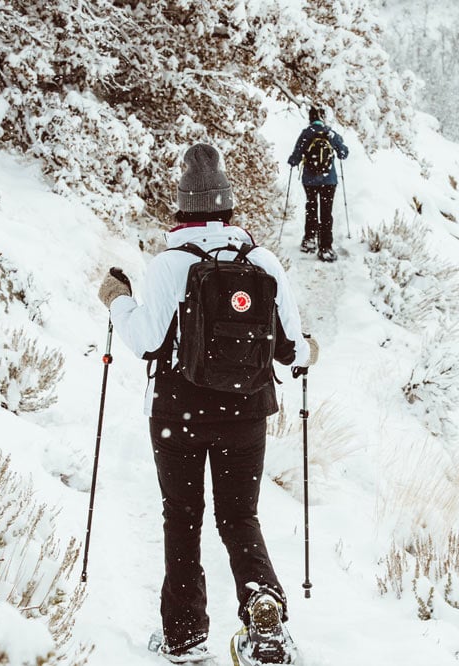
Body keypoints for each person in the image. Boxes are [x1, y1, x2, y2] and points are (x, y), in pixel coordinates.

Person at [97, 143, 319, 664]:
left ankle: (184, 635)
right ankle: (262, 605)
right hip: (246, 412)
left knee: (183, 517)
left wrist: (116, 298)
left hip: (178, 412)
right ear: (228, 206)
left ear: (182, 208)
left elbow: (147, 343)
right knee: (240, 516)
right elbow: (291, 350)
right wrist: (313, 350)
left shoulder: (167, 265)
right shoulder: (262, 262)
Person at [287, 106, 349, 262]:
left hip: (310, 180)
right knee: (326, 212)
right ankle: (326, 247)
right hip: (329, 180)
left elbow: (296, 156)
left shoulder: (307, 133)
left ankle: (309, 240)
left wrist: (292, 161)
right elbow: (343, 153)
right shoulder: (330, 133)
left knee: (311, 207)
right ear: (323, 117)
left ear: (310, 117)